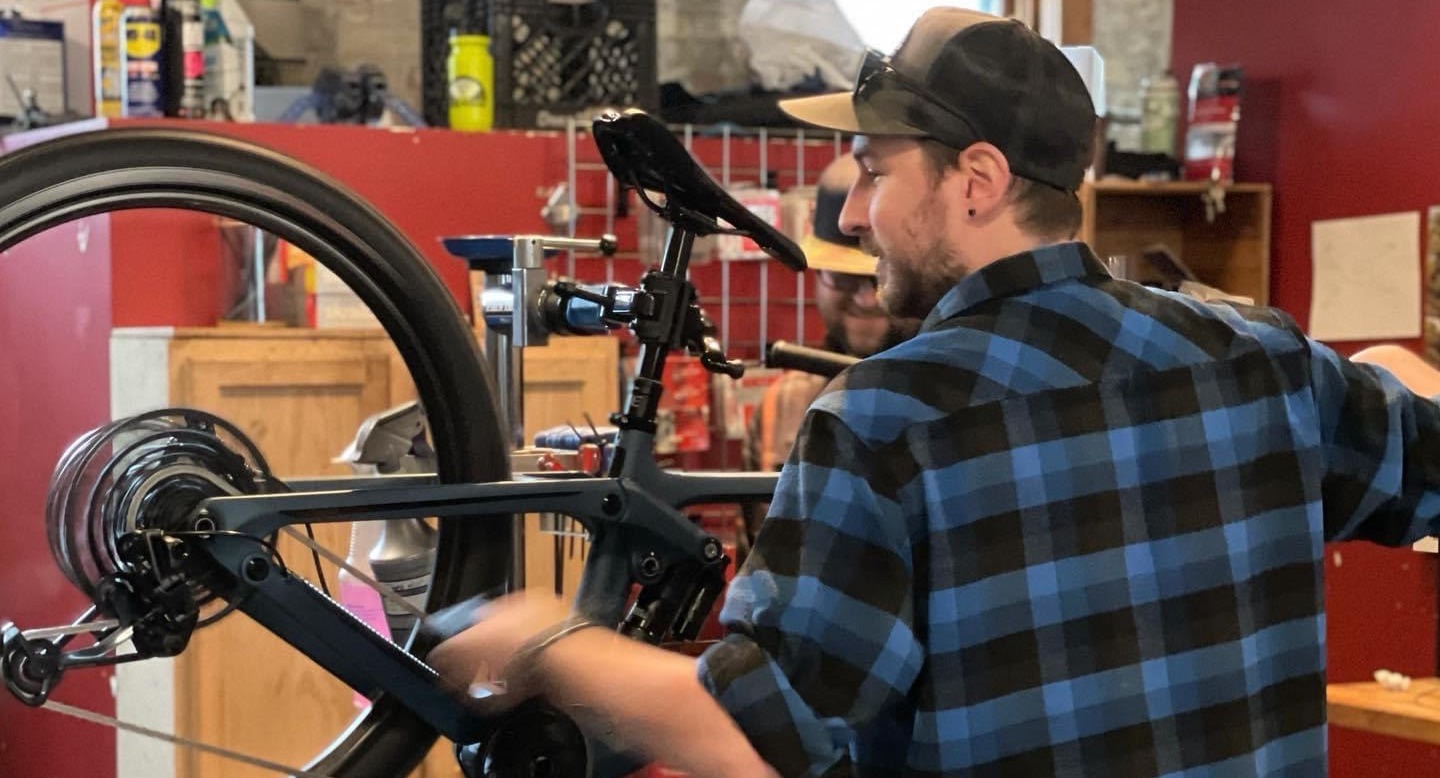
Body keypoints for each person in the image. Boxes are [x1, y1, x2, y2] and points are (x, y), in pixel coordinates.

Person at [433, 8, 1440, 777]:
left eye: (875, 172)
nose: (855, 215)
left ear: (977, 180)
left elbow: (757, 735)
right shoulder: (1265, 358)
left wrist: (550, 645)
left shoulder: (883, 423)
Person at [742, 156, 920, 550]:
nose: (866, 300)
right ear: (818, 277)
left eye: (880, 277)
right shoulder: (783, 405)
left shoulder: (953, 398)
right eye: (842, 277)